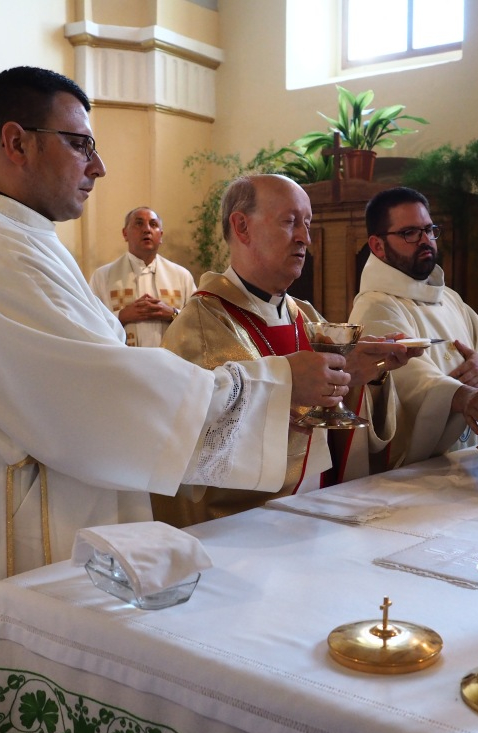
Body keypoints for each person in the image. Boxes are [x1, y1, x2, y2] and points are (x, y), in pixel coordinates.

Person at [0, 66, 350, 733]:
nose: (98, 167)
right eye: (80, 144)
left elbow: (98, 375)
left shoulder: (18, 241)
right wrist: (270, 384)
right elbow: (91, 394)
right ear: (16, 142)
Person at [160, 173, 417, 523]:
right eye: (290, 221)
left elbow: (339, 430)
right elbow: (195, 448)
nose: (305, 238)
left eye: (307, 224)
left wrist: (366, 378)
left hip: (322, 514)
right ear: (242, 227)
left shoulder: (307, 316)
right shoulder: (201, 324)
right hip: (250, 528)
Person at [349, 186, 478, 467]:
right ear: (378, 246)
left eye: (429, 230)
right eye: (410, 233)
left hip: (467, 458)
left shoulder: (448, 298)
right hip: (415, 470)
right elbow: (409, 381)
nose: (426, 240)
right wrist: (461, 396)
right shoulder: (376, 305)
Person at [89, 206, 196, 347]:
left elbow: (198, 322)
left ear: (161, 235)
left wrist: (172, 313)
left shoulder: (181, 276)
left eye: (153, 224)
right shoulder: (103, 276)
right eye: (139, 223)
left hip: (170, 358)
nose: (147, 229)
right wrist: (121, 316)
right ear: (125, 234)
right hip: (124, 359)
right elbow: (90, 323)